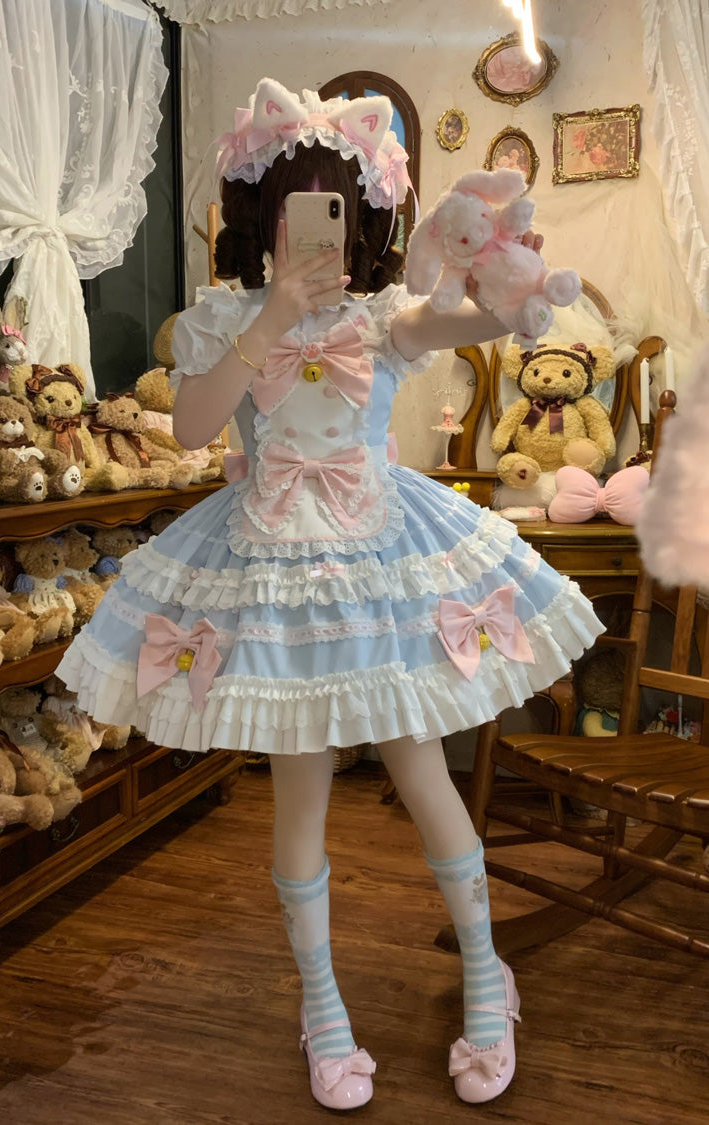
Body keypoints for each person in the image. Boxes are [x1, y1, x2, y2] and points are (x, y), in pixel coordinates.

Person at [56, 77, 604, 1111]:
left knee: (424, 775)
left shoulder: (385, 318)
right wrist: (271, 317)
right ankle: (321, 1003)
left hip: (381, 566)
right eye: (297, 211)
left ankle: (488, 976)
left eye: (340, 213)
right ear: (263, 219)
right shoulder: (225, 318)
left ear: (365, 226)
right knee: (298, 792)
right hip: (268, 573)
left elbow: (473, 320)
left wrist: (491, 264)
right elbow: (191, 428)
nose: (320, 235)